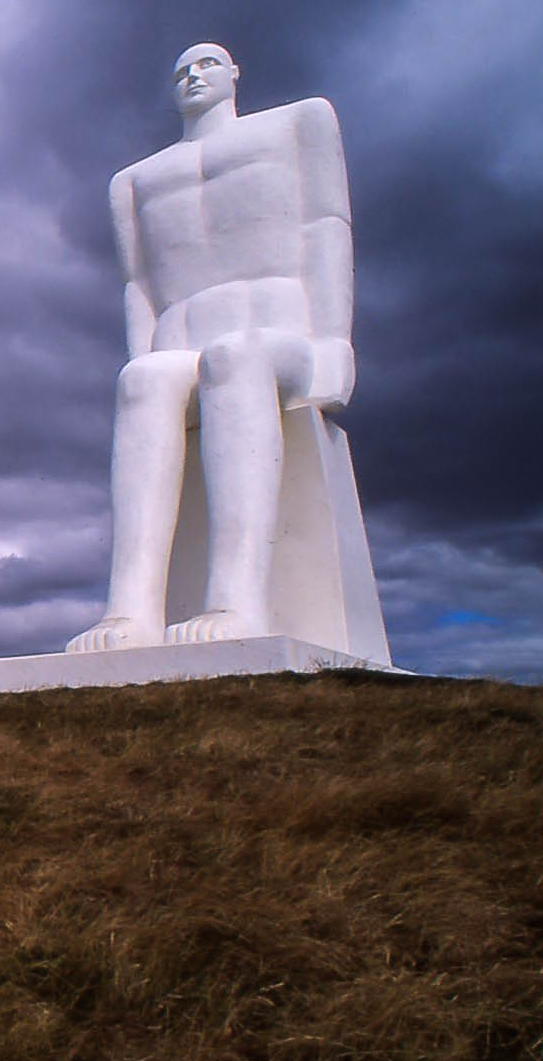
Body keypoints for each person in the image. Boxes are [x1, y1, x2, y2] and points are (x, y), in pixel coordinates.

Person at [68, 43, 355, 651]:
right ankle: (128, 610)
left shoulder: (297, 123)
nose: (192, 76)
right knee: (142, 381)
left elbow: (325, 228)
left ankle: (236, 600)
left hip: (280, 336)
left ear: (234, 75)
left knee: (237, 358)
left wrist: (334, 343)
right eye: (180, 71)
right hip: (181, 343)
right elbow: (139, 286)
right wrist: (139, 354)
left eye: (206, 65)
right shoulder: (135, 180)